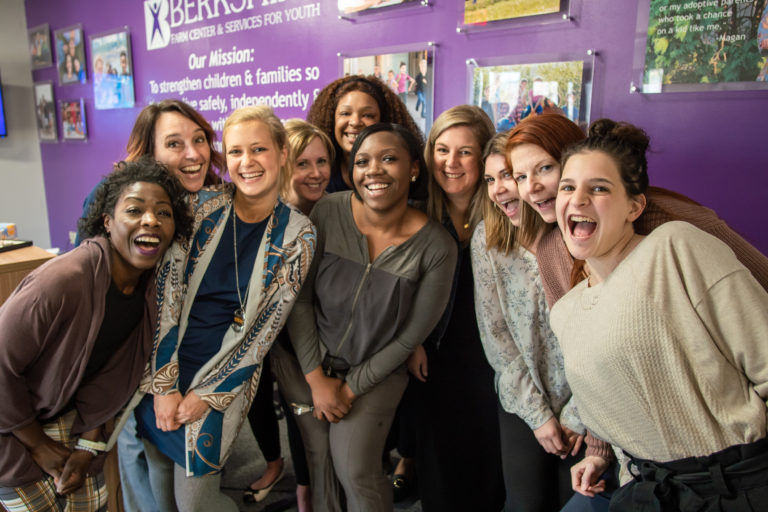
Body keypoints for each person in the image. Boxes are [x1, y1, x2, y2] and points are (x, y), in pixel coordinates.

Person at [551, 119, 768, 510]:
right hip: (650, 490)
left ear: (634, 206)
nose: (578, 199)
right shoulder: (565, 312)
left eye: (598, 188)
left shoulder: (676, 247)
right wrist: (602, 456)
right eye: (568, 187)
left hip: (738, 483)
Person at [132, 105, 315, 512]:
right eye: (235, 152)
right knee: (160, 500)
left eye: (258, 150)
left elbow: (262, 333)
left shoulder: (299, 235)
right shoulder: (202, 207)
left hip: (222, 380)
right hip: (165, 368)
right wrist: (164, 386)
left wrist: (204, 395)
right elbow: (166, 298)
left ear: (282, 153)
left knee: (195, 504)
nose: (246, 163)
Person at [0, 159, 192, 512]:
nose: (150, 220)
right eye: (134, 210)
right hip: (12, 424)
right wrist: (38, 445)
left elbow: (115, 376)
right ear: (107, 221)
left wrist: (90, 445)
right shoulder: (62, 281)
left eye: (163, 213)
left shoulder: (149, 289)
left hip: (73, 423)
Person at [282, 123, 456, 511]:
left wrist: (347, 388)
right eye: (362, 161)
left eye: (388, 159)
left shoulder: (437, 246)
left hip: (378, 371)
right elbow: (302, 299)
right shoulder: (328, 210)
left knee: (355, 469)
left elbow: (410, 338)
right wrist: (317, 379)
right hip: (308, 364)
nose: (373, 170)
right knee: (319, 461)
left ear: (413, 168)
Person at [72, 98, 224, 512]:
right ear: (148, 152)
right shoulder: (115, 199)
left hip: (180, 358)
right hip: (123, 354)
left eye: (199, 140)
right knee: (134, 456)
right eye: (175, 144)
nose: (193, 154)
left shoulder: (209, 203)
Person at [471, 133, 588, 511]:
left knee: (576, 501)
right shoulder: (487, 239)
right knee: (525, 503)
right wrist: (538, 415)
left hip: (586, 404)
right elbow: (496, 337)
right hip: (524, 399)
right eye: (490, 180)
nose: (500, 189)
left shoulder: (578, 234)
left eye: (509, 176)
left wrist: (575, 415)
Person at [403, 105, 505, 511]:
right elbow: (397, 292)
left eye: (465, 152)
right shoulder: (416, 213)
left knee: (488, 467)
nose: (451, 162)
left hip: (493, 362)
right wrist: (410, 343)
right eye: (442, 150)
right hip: (434, 359)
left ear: (484, 158)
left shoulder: (506, 212)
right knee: (440, 471)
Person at [241, 119, 333, 511]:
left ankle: (312, 490)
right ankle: (301, 489)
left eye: (322, 162)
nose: (315, 173)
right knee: (303, 427)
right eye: (303, 163)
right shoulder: (272, 219)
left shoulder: (338, 211)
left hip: (326, 342)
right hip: (278, 343)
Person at [307, 75, 422, 192]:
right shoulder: (319, 174)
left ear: (384, 121)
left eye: (367, 115)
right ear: (331, 120)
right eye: (345, 113)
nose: (355, 122)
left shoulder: (399, 173)